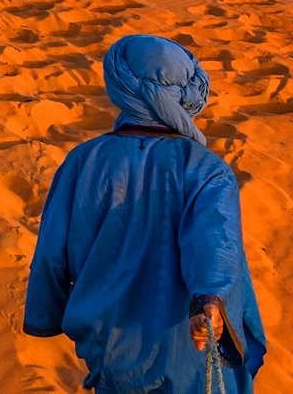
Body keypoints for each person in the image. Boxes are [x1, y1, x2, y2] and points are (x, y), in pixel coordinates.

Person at [26, 35, 265, 393]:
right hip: (190, 347)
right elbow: (217, 240)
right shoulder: (205, 168)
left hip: (110, 348)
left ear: (120, 87)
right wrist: (211, 301)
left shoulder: (82, 161)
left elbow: (51, 253)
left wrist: (45, 316)